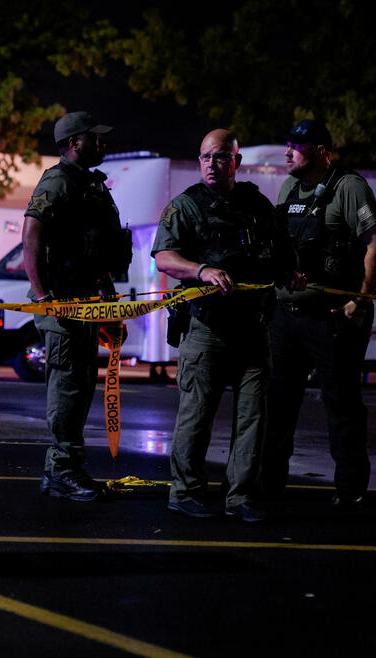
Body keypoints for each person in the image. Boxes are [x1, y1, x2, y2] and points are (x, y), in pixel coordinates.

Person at [151, 129, 299, 522]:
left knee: (252, 418)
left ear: (237, 160)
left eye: (219, 157)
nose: (211, 165)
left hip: (253, 329)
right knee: (196, 416)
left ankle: (241, 497)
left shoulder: (256, 205)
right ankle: (185, 491)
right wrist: (201, 270)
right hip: (208, 329)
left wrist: (290, 274)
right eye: (204, 158)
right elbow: (164, 257)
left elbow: (282, 252)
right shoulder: (187, 206)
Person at [262, 119, 376, 510]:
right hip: (287, 315)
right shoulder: (289, 188)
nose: (287, 152)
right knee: (278, 404)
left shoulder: (348, 187)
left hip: (332, 317)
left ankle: (350, 490)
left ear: (320, 150)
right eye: (287, 144)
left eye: (296, 146)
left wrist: (361, 300)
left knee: (342, 405)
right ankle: (269, 486)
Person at [23, 111, 132, 502]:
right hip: (63, 305)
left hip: (85, 302)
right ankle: (61, 470)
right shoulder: (59, 181)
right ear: (73, 143)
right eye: (94, 137)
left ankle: (69, 466)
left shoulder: (89, 184)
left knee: (82, 385)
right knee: (68, 386)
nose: (102, 143)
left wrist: (108, 297)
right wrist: (41, 296)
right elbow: (32, 233)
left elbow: (96, 248)